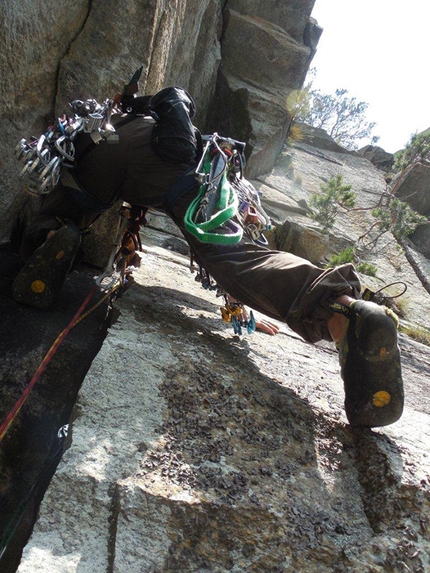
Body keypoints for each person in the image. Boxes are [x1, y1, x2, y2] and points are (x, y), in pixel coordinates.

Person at [12, 89, 403, 428]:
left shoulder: (98, 120)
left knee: (70, 205)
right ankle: (340, 310)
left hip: (102, 157)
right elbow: (179, 102)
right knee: (232, 256)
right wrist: (245, 313)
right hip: (186, 170)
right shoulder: (163, 117)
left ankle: (51, 239)